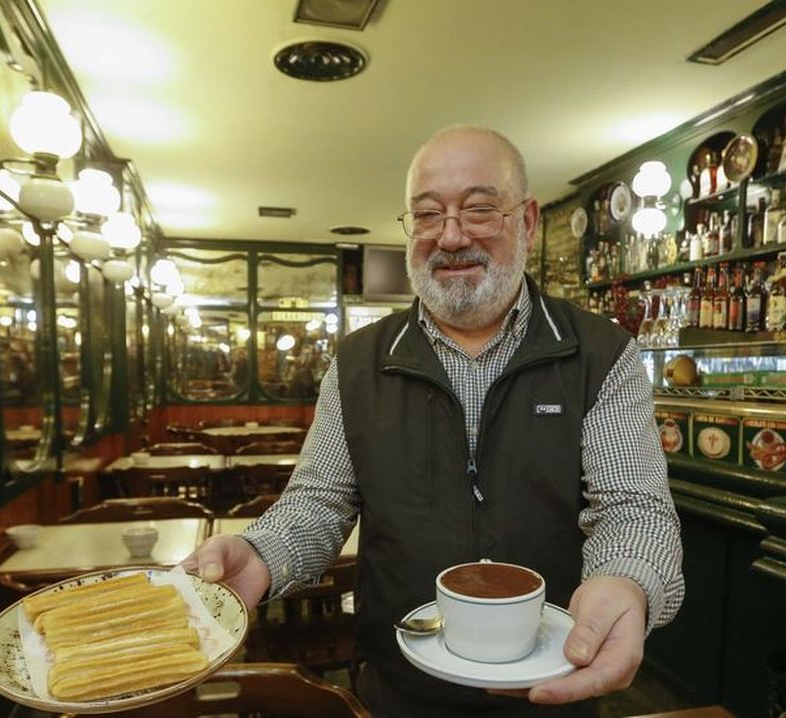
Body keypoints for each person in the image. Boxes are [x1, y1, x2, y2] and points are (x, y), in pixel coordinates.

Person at [184, 126, 684, 717]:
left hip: (552, 685)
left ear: (526, 223)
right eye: (427, 214)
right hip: (400, 689)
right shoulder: (356, 362)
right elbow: (317, 504)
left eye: (478, 210)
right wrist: (262, 553)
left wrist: (627, 580)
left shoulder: (600, 354)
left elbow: (633, 508)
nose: (450, 236)